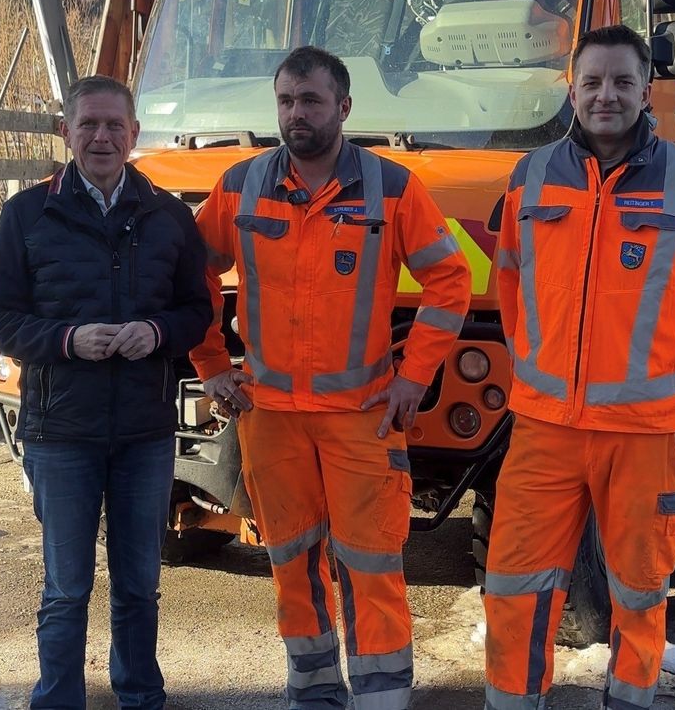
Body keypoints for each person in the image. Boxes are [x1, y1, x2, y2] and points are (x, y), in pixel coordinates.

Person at [190, 46, 471, 710]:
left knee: (372, 567)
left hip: (362, 416)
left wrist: (414, 377)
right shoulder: (241, 186)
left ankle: (381, 698)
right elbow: (190, 274)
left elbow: (450, 279)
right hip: (272, 420)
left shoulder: (392, 188)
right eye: (286, 100)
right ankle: (313, 693)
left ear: (343, 107)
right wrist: (211, 367)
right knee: (291, 563)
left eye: (311, 100)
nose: (296, 113)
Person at [486, 24, 675, 709]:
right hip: (543, 433)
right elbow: (510, 292)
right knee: (516, 593)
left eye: (622, 82)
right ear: (571, 90)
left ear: (647, 91)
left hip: (646, 439)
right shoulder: (531, 176)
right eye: (593, 81)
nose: (606, 95)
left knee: (639, 599)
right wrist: (539, 379)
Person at [0, 75, 212, 710]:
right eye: (89, 125)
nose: (102, 137)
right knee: (66, 589)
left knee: (139, 585)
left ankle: (140, 697)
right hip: (61, 432)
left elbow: (198, 311)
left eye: (115, 126)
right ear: (67, 133)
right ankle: (57, 700)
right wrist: (66, 340)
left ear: (134, 135)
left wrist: (157, 331)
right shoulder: (28, 213)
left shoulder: (169, 218)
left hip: (145, 433)